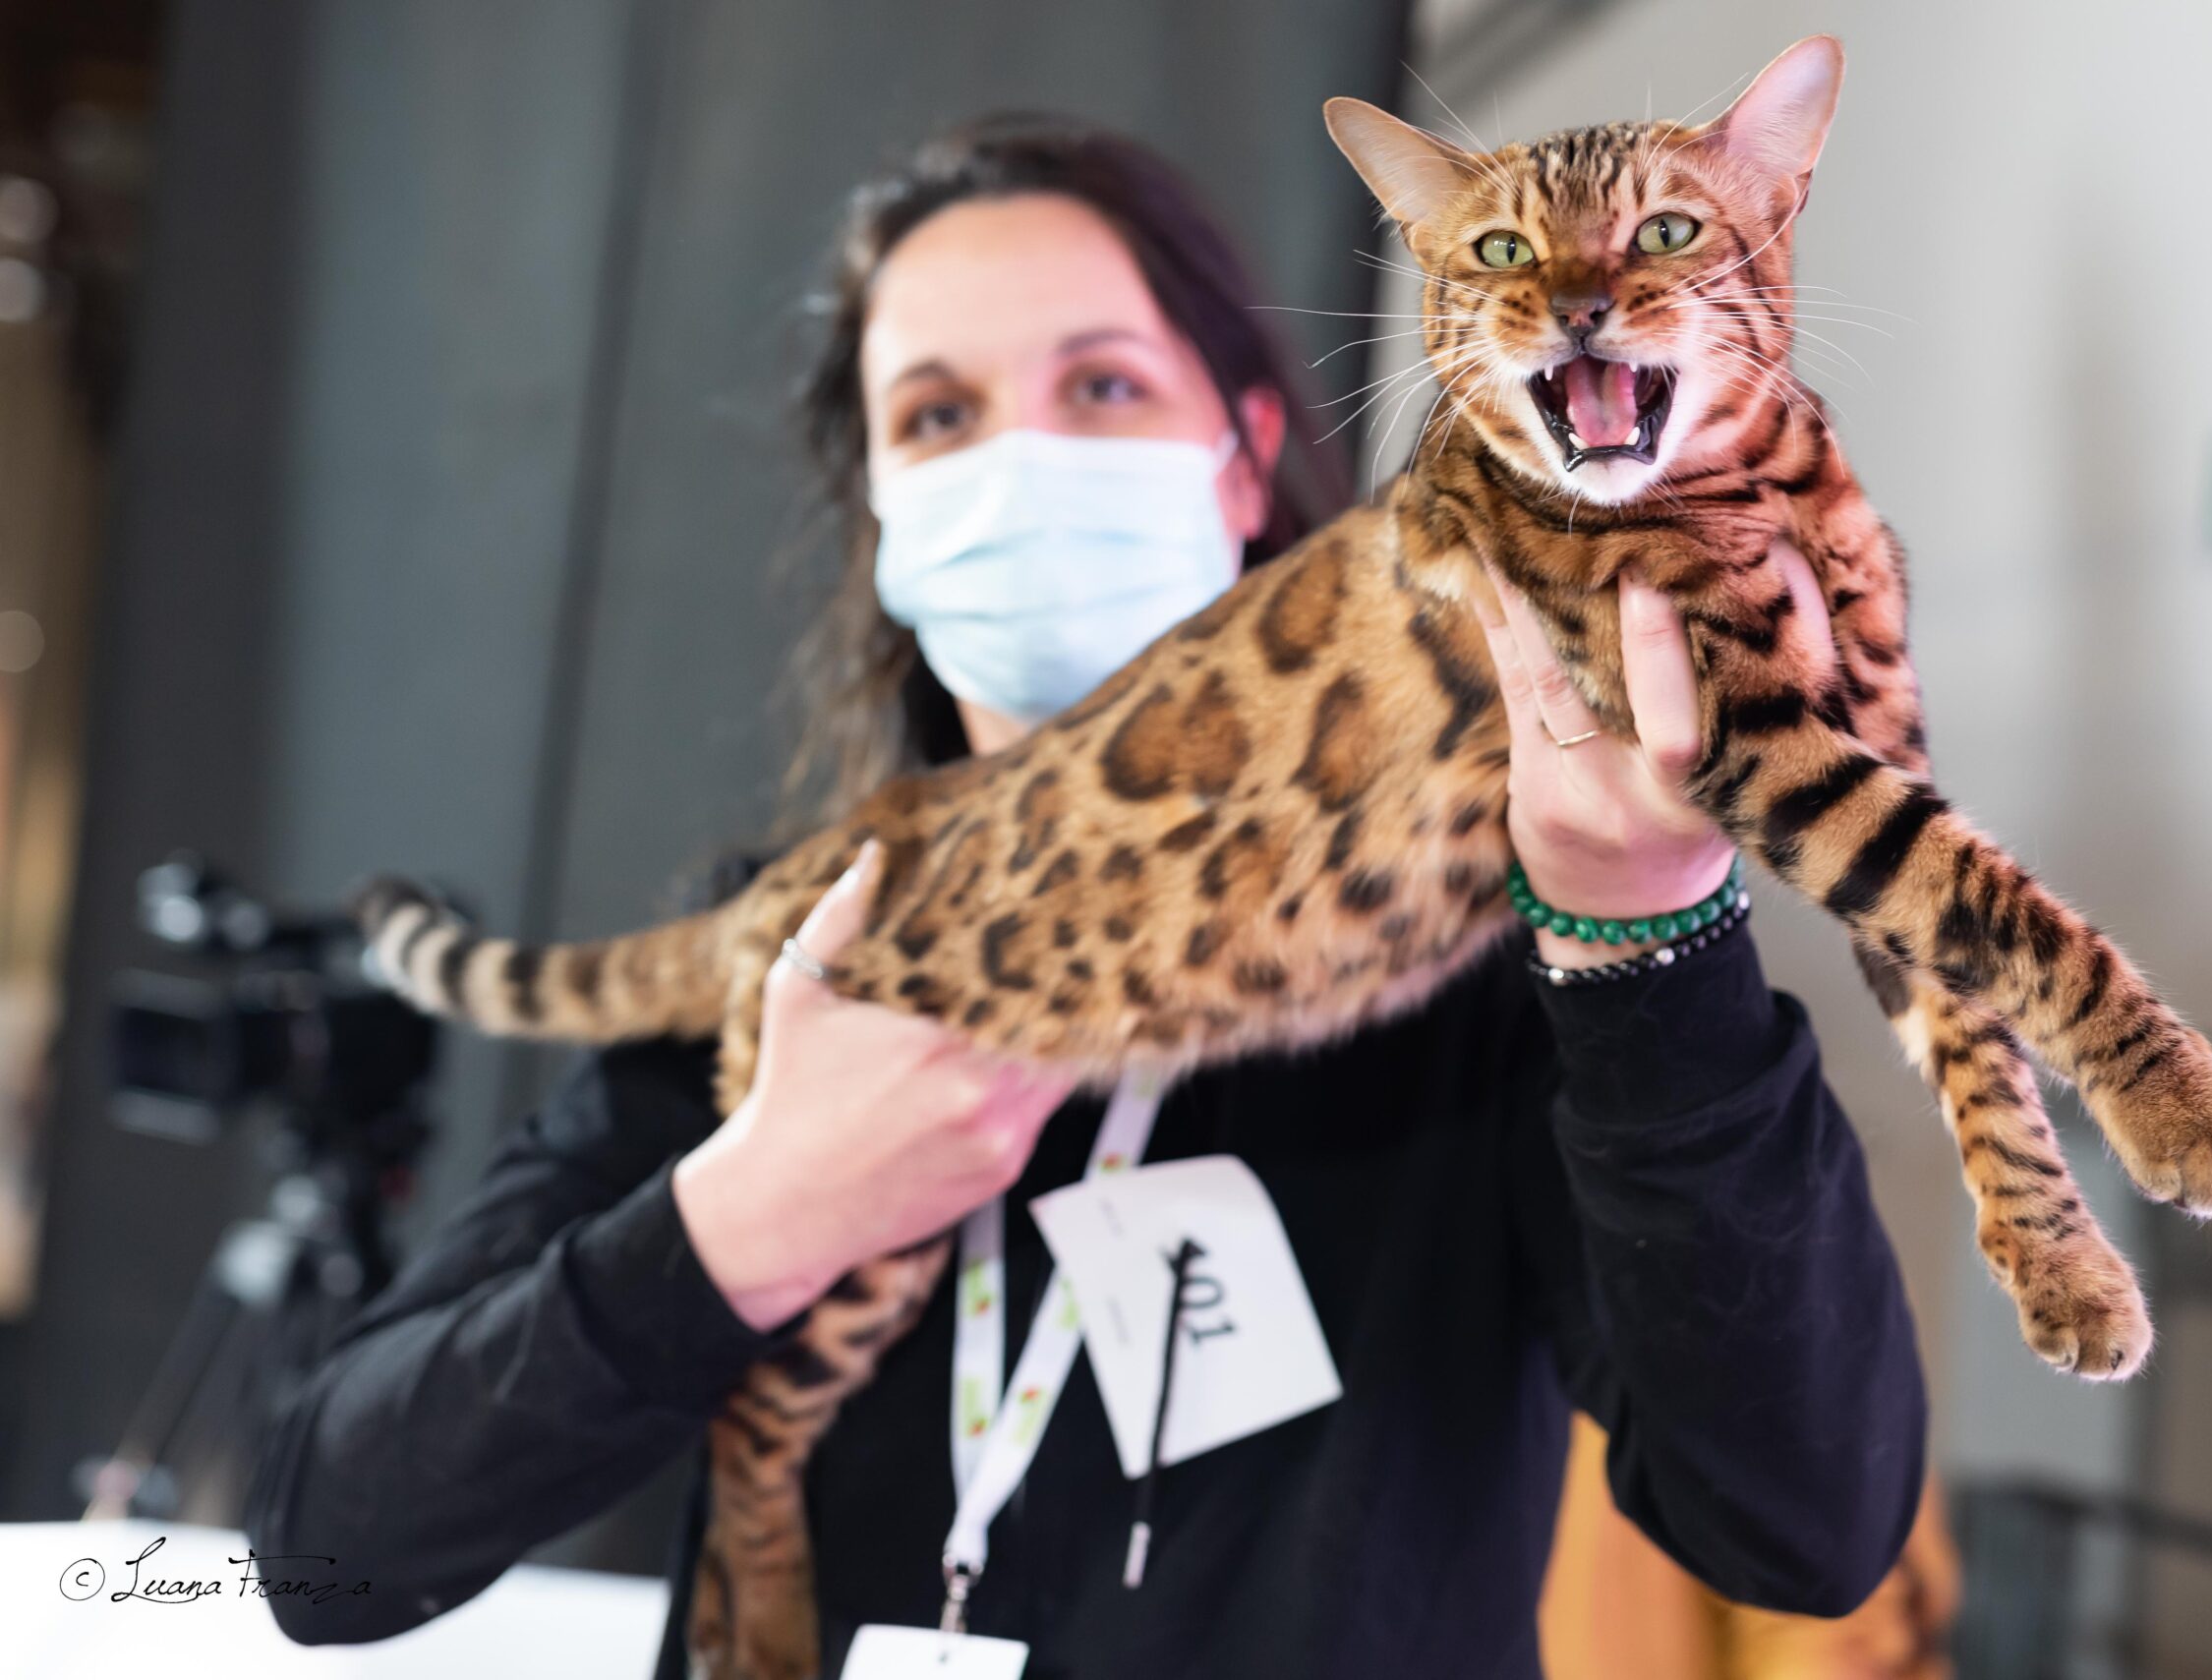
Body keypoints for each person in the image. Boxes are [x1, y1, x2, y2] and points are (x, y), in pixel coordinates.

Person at [244, 115, 1928, 1678]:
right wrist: (753, 1213)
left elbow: (1804, 1523)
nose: (1023, 459)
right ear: (883, 508)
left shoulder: (1497, 957)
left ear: (1248, 448)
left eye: (1106, 387)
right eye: (938, 416)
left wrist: (1650, 944)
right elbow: (326, 1550)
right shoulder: (814, 943)